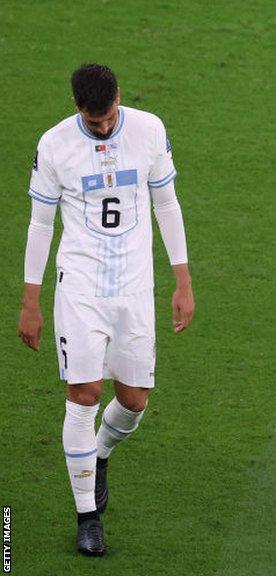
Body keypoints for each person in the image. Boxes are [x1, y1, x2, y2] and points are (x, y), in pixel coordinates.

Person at [17, 64, 194, 555]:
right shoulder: (54, 146)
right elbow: (40, 226)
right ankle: (87, 517)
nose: (101, 127)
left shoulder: (150, 130)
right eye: (91, 121)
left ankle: (99, 453)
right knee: (85, 393)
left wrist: (183, 279)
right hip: (80, 288)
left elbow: (167, 205)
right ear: (78, 108)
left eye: (107, 116)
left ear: (119, 96)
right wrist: (31, 300)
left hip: (135, 289)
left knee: (135, 400)